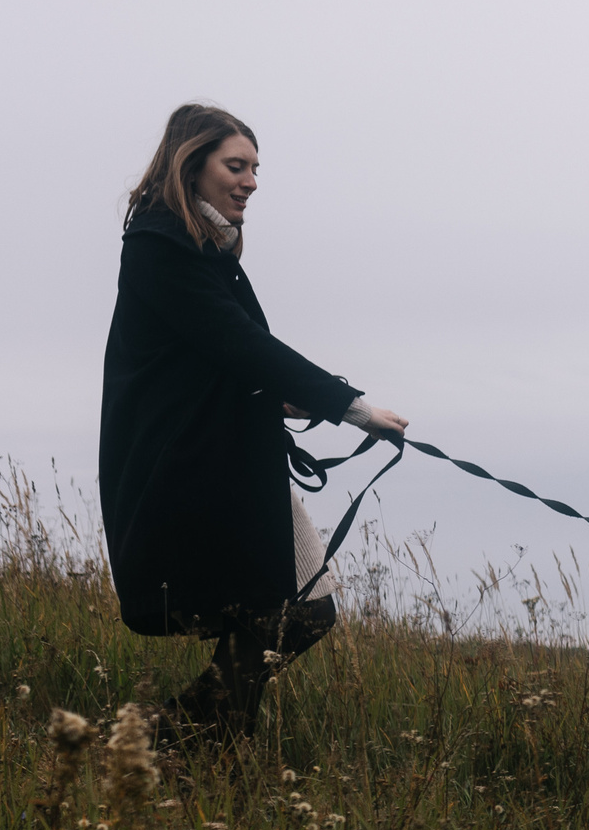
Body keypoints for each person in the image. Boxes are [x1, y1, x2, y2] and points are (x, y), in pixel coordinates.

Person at [99, 103, 409, 752]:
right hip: (189, 469)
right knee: (281, 612)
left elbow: (218, 356)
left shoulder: (207, 250)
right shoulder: (161, 246)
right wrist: (349, 406)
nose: (251, 181)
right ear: (192, 165)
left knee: (299, 610)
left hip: (232, 458)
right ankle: (179, 747)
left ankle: (180, 745)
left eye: (255, 168)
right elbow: (242, 345)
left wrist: (282, 402)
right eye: (236, 165)